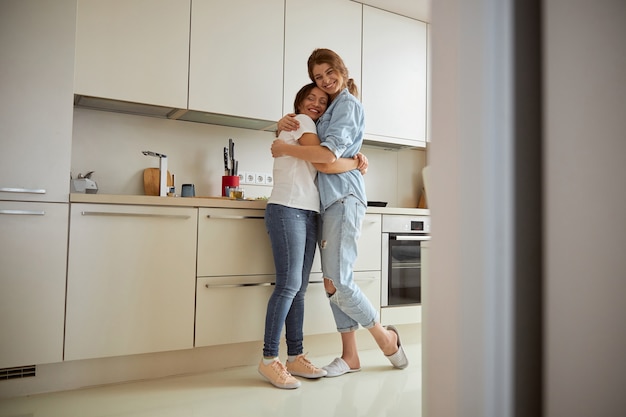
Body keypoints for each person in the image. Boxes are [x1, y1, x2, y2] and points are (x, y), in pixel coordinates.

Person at [272, 48, 408, 378]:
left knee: (339, 282)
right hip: (330, 201)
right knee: (332, 281)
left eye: (328, 73)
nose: (325, 81)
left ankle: (386, 338)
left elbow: (324, 159)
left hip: (344, 198)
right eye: (318, 78)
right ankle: (350, 356)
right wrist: (282, 125)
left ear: (341, 69)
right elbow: (324, 149)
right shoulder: (331, 107)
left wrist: (286, 147)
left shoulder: (347, 104)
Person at [259, 82, 368, 389]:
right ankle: (269, 360)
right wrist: (354, 162)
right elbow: (324, 158)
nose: (317, 103)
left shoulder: (314, 128)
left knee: (299, 289)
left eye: (323, 100)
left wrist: (356, 158)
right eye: (312, 98)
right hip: (288, 208)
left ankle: (295, 356)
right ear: (300, 101)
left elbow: (326, 157)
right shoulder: (302, 122)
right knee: (289, 285)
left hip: (308, 212)